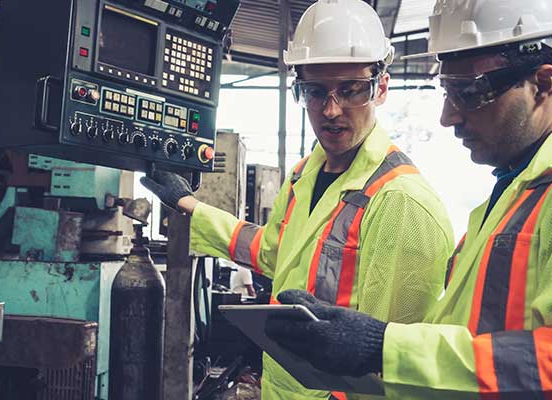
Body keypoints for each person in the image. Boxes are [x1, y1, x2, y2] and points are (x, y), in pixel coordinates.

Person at [266, 0, 552, 398]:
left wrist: (383, 347)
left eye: (469, 93)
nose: (447, 117)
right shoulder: (514, 194)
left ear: (542, 84)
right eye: (447, 91)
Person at [141, 0, 453, 398]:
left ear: (382, 88)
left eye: (351, 90)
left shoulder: (402, 203)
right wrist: (188, 205)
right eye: (315, 91)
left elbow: (391, 366)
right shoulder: (306, 173)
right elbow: (275, 251)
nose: (331, 110)